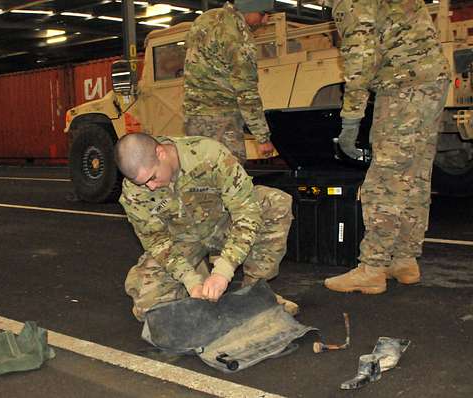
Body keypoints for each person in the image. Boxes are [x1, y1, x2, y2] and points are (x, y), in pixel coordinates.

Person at [324, 0, 450, 294]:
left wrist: (351, 118)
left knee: (386, 178)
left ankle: (373, 267)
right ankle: (404, 259)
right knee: (414, 175)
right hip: (431, 79)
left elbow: (361, 55)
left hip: (402, 85)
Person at [115, 133, 297, 321]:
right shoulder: (133, 192)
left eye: (152, 177)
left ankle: (255, 291)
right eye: (142, 183)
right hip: (183, 240)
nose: (151, 187)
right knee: (149, 309)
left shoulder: (208, 154)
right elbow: (157, 241)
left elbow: (246, 212)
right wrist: (189, 279)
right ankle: (199, 278)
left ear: (160, 152)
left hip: (224, 224)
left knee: (274, 203)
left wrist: (224, 271)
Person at [183, 0, 275, 164]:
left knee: (200, 176)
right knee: (230, 180)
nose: (265, 20)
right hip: (222, 121)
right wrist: (262, 137)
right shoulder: (239, 36)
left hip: (193, 117)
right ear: (249, 8)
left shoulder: (206, 18)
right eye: (263, 14)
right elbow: (246, 91)